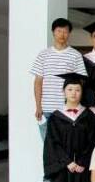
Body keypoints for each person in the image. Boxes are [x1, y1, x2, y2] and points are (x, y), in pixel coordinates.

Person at [43, 72, 94, 182]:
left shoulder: (88, 116)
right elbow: (52, 144)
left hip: (81, 168)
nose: (74, 93)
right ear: (63, 91)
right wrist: (67, 162)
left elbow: (92, 143)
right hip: (62, 168)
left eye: (77, 89)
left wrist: (81, 162)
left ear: (82, 92)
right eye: (70, 89)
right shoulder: (56, 117)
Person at [31, 18, 87, 163]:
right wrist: (38, 106)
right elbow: (38, 82)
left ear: (69, 34)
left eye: (65, 31)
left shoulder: (75, 55)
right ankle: (49, 174)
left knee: (66, 147)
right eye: (59, 31)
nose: (62, 34)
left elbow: (80, 82)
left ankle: (65, 175)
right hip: (47, 109)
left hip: (66, 109)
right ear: (53, 32)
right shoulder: (43, 54)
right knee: (48, 146)